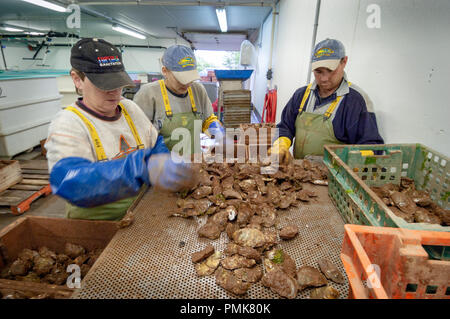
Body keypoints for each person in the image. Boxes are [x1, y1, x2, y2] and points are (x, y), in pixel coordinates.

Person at [45, 38, 196, 220]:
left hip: (141, 215)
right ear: (77, 79)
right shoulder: (69, 122)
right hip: (99, 227)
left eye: (118, 82)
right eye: (105, 85)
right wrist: (139, 167)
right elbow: (68, 181)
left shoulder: (129, 109)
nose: (115, 91)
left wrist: (167, 162)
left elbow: (155, 143)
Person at [270, 38, 384, 164]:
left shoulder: (356, 101)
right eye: (318, 72)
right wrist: (280, 145)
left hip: (336, 175)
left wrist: (351, 160)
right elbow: (285, 127)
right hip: (301, 173)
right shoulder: (301, 95)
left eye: (330, 71)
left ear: (344, 62)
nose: (324, 78)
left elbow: (372, 146)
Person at [133, 45, 225, 155]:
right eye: (180, 79)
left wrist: (215, 129)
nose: (186, 83)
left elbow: (207, 119)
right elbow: (138, 135)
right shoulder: (148, 94)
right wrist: (157, 153)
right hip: (162, 167)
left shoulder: (198, 90)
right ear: (165, 71)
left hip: (194, 162)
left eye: (189, 78)